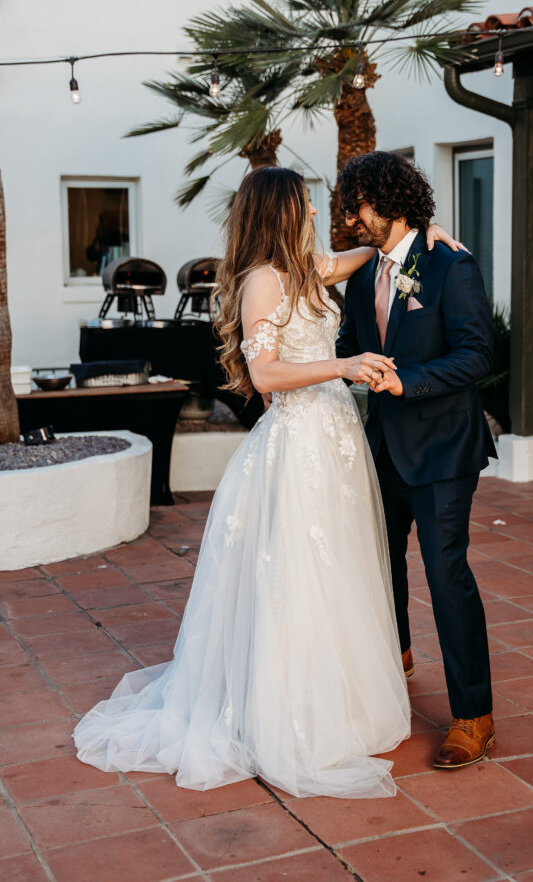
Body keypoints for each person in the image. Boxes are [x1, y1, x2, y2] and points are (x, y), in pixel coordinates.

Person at [73, 165, 461, 799]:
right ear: (278, 211)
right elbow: (267, 378)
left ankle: (338, 697)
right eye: (303, 206)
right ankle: (288, 712)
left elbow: (359, 257)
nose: (313, 215)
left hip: (336, 440)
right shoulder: (262, 281)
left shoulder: (307, 267)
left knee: (339, 567)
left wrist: (417, 237)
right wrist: (344, 363)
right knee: (297, 574)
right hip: (297, 444)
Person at [336, 150, 498, 770]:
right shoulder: (361, 274)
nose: (352, 218)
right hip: (380, 448)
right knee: (382, 563)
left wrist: (409, 381)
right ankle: (396, 660)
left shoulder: (451, 265)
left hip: (442, 448)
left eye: (359, 205)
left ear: (391, 203)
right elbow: (351, 348)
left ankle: (473, 715)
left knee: (445, 572)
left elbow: (477, 354)